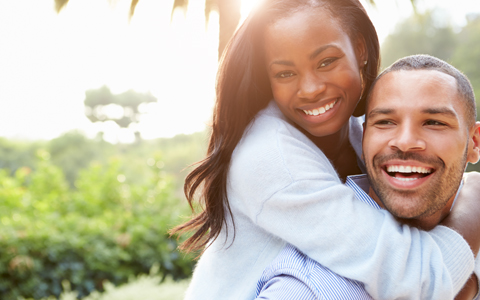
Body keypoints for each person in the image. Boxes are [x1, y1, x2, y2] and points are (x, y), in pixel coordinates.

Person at [170, 1, 480, 299]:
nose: (310, 88)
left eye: (326, 62)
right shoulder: (270, 157)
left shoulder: (364, 132)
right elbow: (416, 278)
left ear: (360, 49)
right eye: (285, 73)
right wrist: (473, 205)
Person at [254, 54, 480, 300]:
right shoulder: (307, 287)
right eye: (385, 122)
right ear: (363, 140)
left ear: (474, 142)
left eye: (434, 122)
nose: (404, 142)